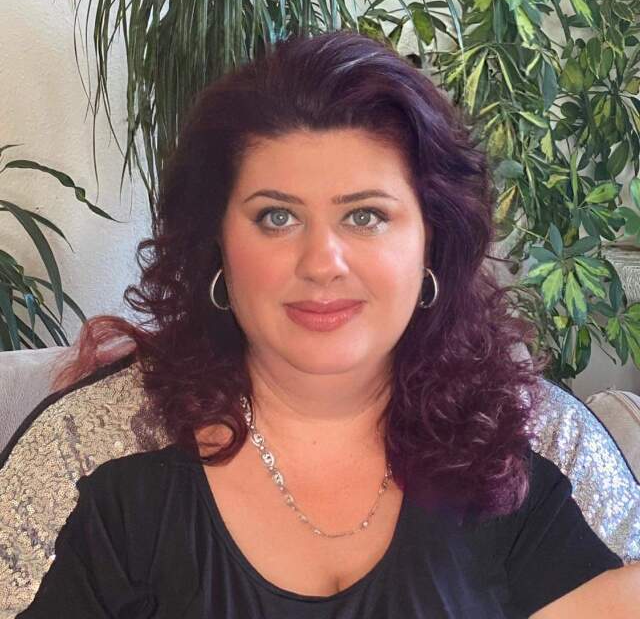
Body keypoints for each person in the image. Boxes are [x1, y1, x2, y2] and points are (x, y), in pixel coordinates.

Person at [16, 30, 638, 618]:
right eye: (276, 217)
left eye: (365, 216)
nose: (321, 264)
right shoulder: (95, 450)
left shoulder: (537, 441)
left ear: (432, 241)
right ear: (217, 244)